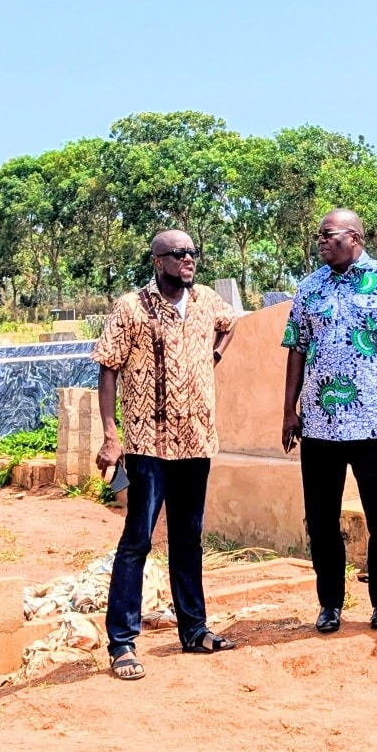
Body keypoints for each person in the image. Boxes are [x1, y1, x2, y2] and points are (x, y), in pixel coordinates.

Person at [94, 229, 240, 680]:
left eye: (192, 253)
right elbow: (107, 368)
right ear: (158, 261)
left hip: (196, 440)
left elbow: (231, 323)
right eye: (178, 254)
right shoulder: (131, 307)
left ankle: (194, 630)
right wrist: (110, 435)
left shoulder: (206, 302)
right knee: (137, 539)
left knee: (189, 537)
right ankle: (122, 642)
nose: (188, 260)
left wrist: (212, 356)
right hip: (147, 443)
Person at [281, 208, 377, 633]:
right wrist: (289, 411)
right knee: (322, 518)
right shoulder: (309, 287)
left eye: (328, 234)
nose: (321, 242)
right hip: (320, 425)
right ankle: (330, 604)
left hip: (376, 421)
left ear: (356, 237)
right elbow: (296, 349)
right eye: (319, 236)